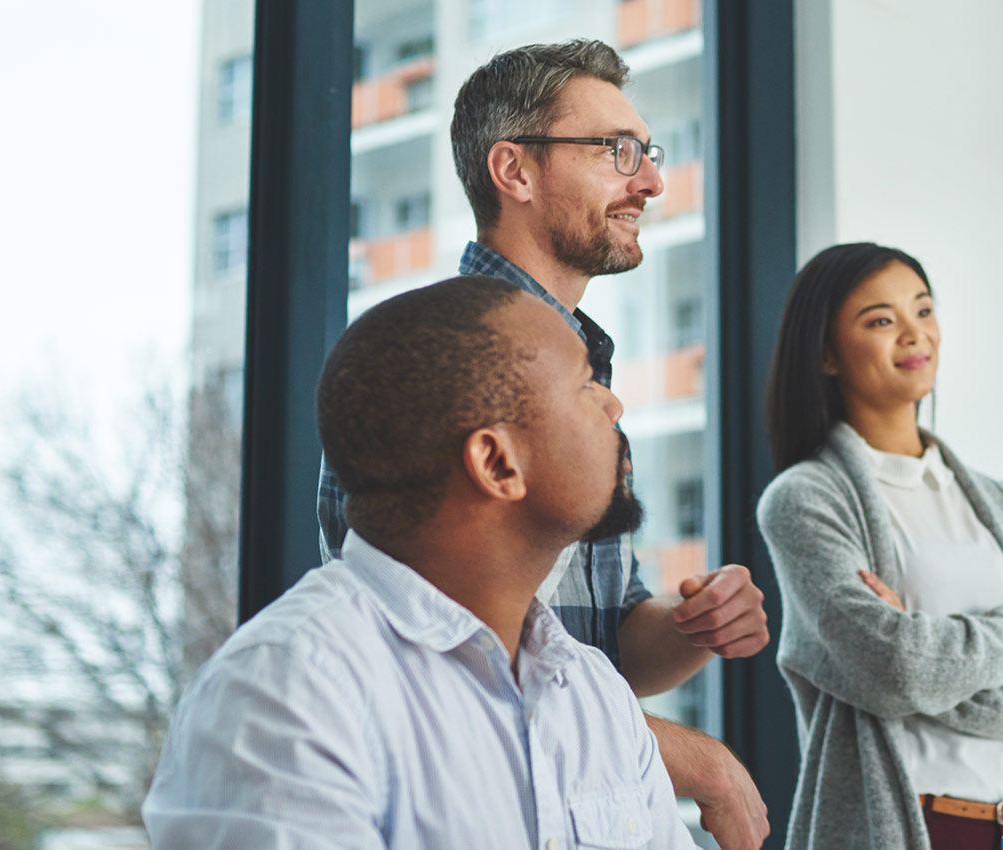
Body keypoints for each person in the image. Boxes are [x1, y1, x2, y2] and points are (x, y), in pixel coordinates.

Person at [315, 41, 768, 847]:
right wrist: (696, 761)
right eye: (616, 152)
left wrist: (690, 626)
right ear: (515, 171)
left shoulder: (585, 386)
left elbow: (603, 643)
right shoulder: (432, 365)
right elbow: (445, 671)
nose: (652, 182)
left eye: (649, 154)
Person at [145, 276, 698, 849]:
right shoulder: (286, 692)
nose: (614, 406)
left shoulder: (592, 692)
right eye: (585, 387)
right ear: (497, 463)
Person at [756, 243, 1003, 850]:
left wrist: (928, 658)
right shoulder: (804, 500)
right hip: (907, 826)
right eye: (882, 321)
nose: (915, 335)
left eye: (923, 310)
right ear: (826, 354)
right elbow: (899, 670)